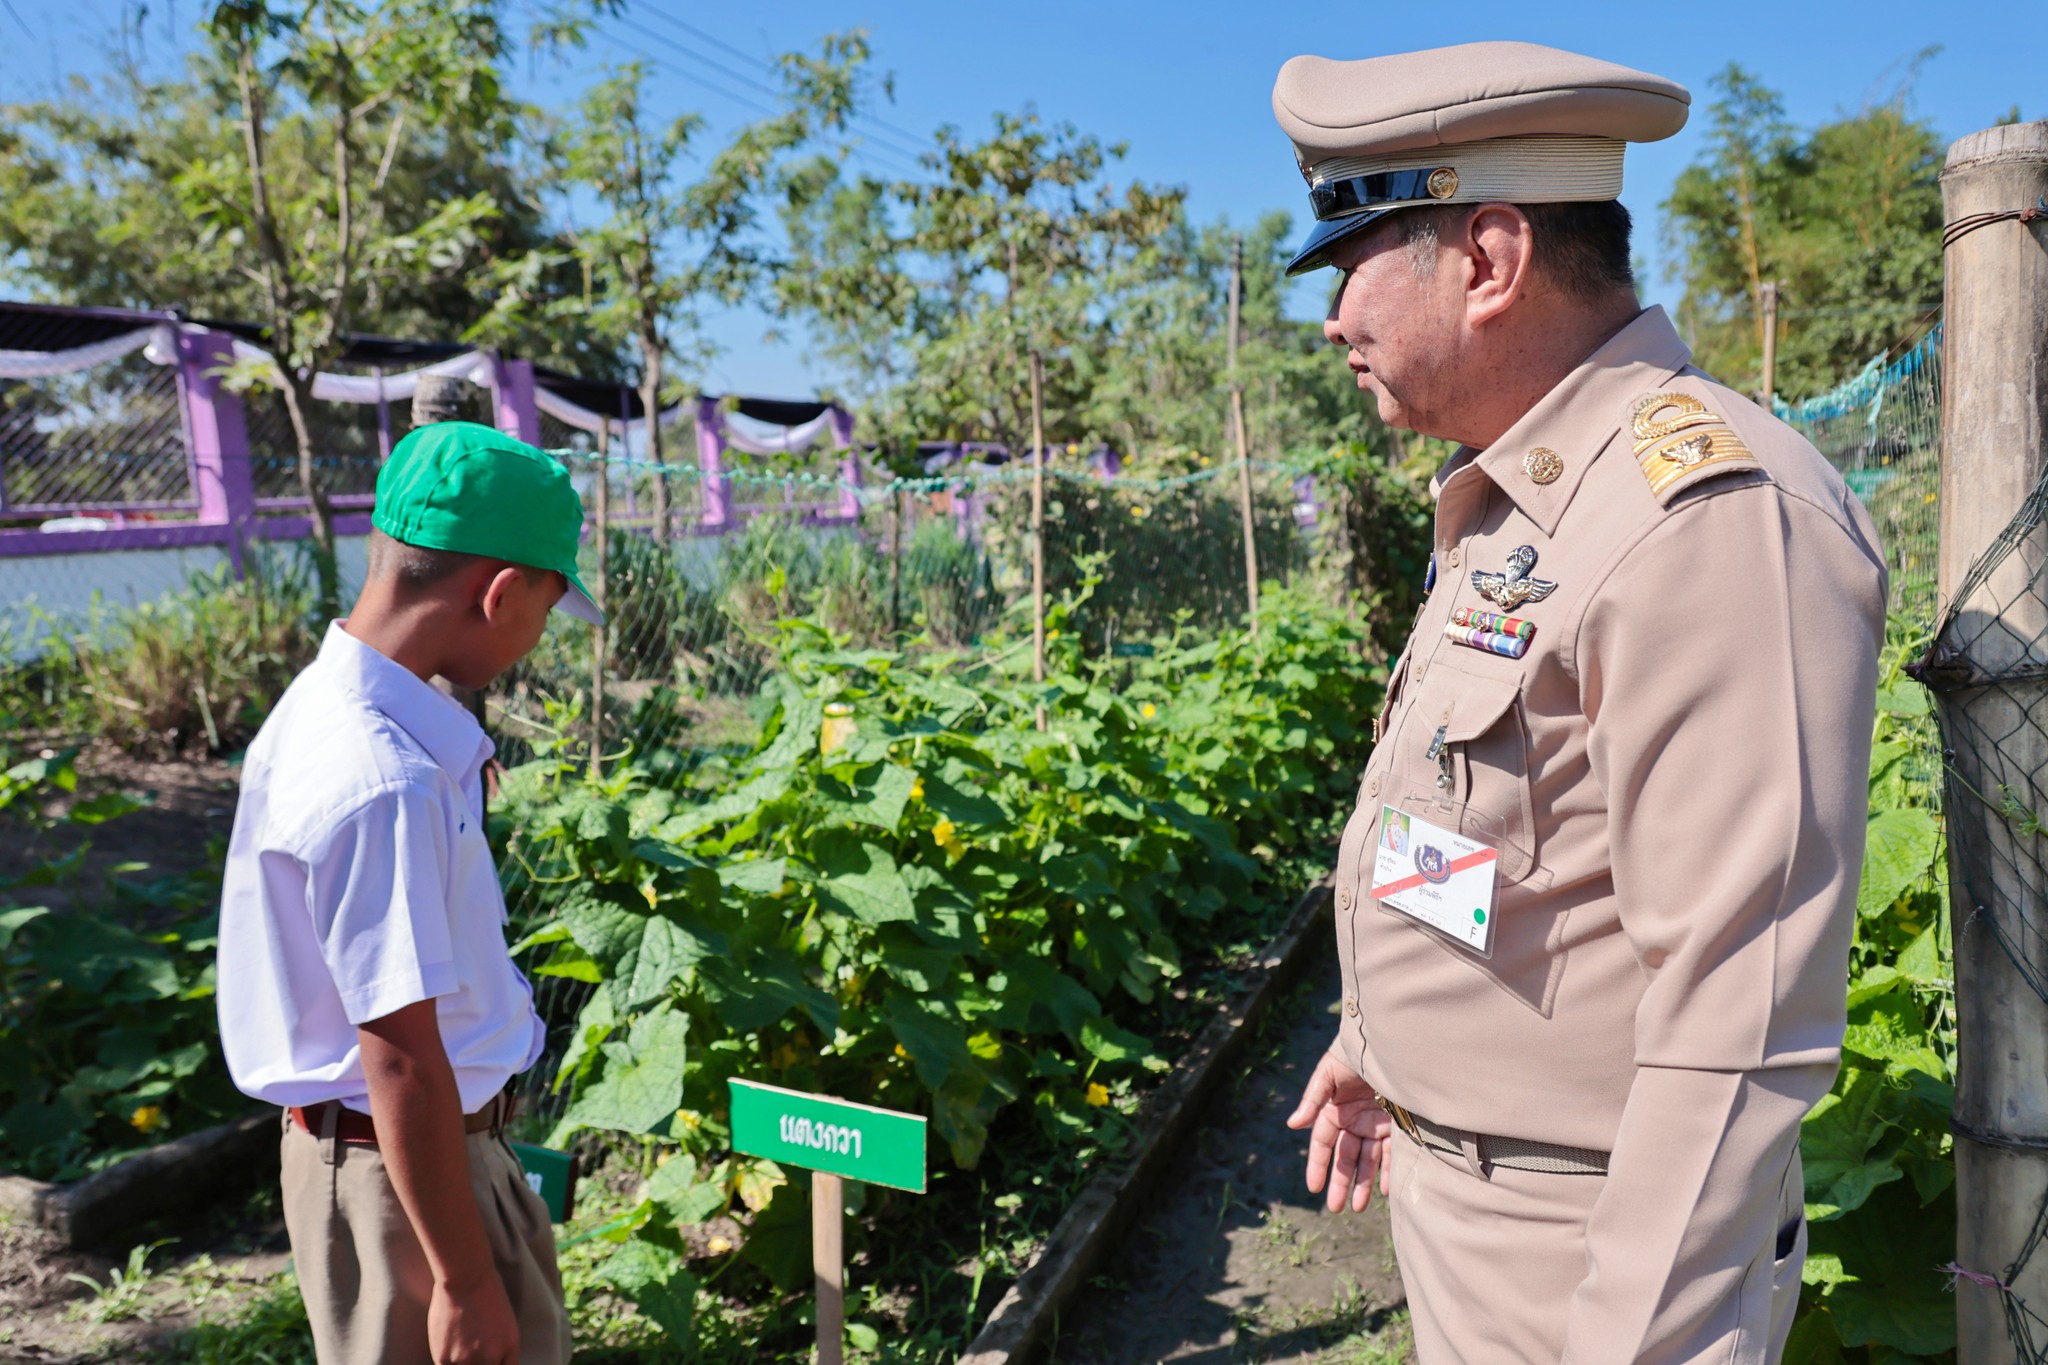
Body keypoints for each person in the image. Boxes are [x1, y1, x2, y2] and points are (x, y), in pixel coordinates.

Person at [1275, 42, 1887, 1363]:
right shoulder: (1518, 507)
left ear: (1490, 258)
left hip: (1595, 1256)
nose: (1330, 320)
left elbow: (1742, 1019)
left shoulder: (1709, 519)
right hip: (1472, 1206)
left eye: (1349, 265)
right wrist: (1381, 1037)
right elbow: (1498, 836)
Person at [216, 421, 605, 1365]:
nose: (539, 636)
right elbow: (400, 1057)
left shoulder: (334, 712)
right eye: (548, 609)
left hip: (396, 1164)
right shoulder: (382, 778)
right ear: (500, 590)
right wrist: (467, 1285)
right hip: (411, 1178)